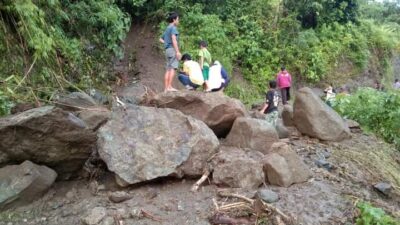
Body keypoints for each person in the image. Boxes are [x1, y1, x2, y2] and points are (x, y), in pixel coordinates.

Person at [159, 12, 181, 92]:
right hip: (172, 50)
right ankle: (169, 87)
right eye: (178, 19)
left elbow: (161, 39)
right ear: (174, 20)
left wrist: (166, 43)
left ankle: (166, 88)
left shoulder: (167, 28)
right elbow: (174, 40)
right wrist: (177, 51)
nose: (178, 21)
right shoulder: (173, 28)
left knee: (168, 69)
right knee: (173, 68)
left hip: (167, 50)